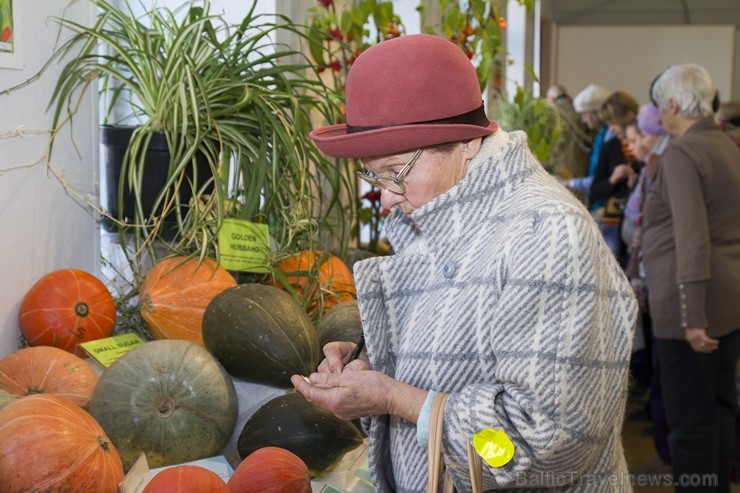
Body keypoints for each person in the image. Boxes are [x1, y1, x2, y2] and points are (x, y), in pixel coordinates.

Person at [292, 34, 637, 492]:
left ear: (467, 144)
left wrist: (395, 398)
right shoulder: (446, 210)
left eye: (395, 171)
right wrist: (377, 361)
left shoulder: (546, 234)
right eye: (374, 175)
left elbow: (536, 450)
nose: (387, 197)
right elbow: (472, 351)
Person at [643, 63, 740, 492]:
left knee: (690, 426)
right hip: (727, 300)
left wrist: (692, 316)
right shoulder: (727, 144)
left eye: (661, 107)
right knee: (718, 413)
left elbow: (692, 238)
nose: (660, 116)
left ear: (675, 104)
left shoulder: (683, 152)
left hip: (692, 313)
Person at [589, 91, 639, 264]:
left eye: (613, 122)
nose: (610, 129)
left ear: (628, 116)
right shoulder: (610, 147)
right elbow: (595, 190)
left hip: (635, 228)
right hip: (612, 229)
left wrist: (636, 184)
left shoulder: (646, 147)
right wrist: (612, 180)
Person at [562, 83, 612, 213]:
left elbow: (600, 178)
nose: (584, 120)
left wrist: (571, 183)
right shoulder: (601, 135)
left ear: (596, 113)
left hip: (605, 204)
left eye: (585, 115)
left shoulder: (609, 137)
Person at [543, 84, 590, 180]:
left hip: (557, 171)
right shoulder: (580, 110)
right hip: (580, 170)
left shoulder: (549, 113)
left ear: (551, 98)